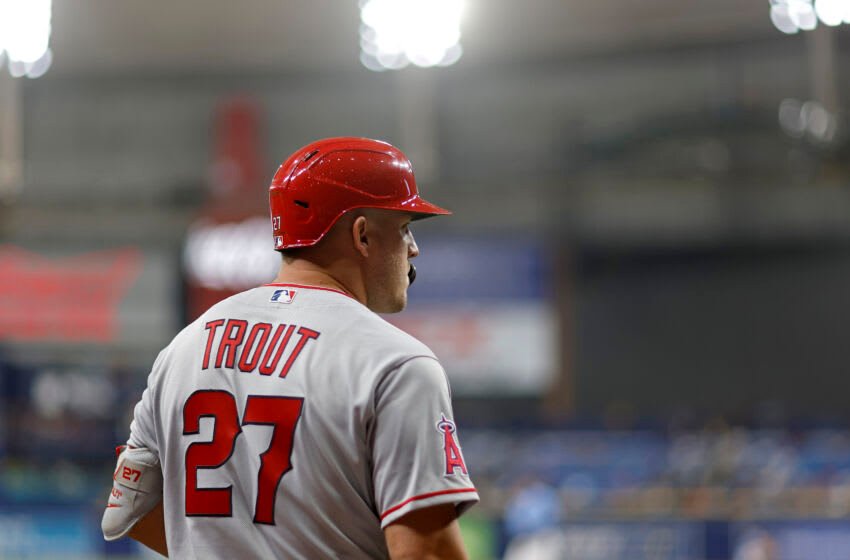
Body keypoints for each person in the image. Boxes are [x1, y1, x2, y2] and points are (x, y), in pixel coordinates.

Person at [101, 137, 479, 558]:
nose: (414, 248)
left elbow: (128, 511)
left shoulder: (183, 348)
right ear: (363, 235)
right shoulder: (396, 363)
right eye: (405, 228)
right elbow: (425, 551)